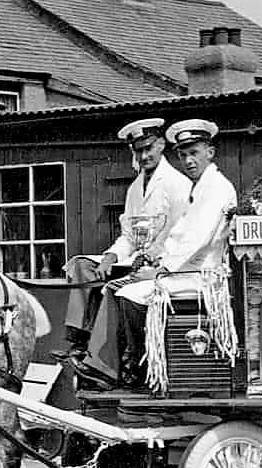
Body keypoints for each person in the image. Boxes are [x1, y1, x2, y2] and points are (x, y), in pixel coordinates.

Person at [72, 119, 235, 389]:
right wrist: (123, 257)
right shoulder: (194, 186)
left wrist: (160, 267)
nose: (188, 161)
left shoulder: (209, 187)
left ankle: (137, 367)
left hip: (198, 274)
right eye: (183, 155)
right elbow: (154, 235)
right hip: (176, 267)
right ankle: (98, 353)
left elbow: (192, 239)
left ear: (210, 152)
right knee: (89, 272)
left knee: (126, 293)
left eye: (194, 153)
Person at [55, 117, 190, 377]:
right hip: (132, 260)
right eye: (138, 150)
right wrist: (109, 257)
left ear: (161, 144)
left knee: (111, 289)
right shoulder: (135, 189)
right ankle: (78, 341)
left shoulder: (177, 185)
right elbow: (128, 236)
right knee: (83, 266)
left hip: (158, 266)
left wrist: (152, 260)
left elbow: (178, 237)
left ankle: (100, 363)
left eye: (148, 148)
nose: (144, 155)